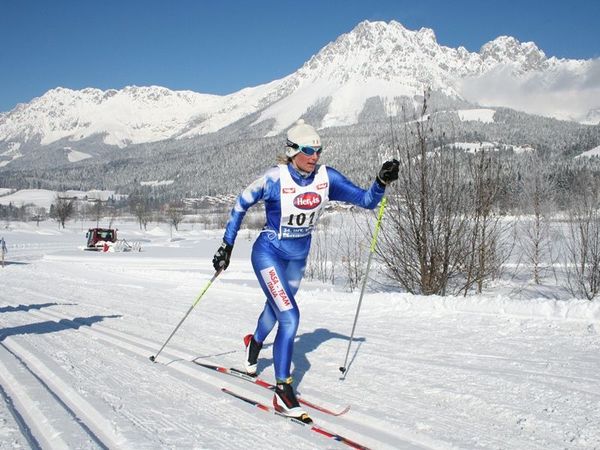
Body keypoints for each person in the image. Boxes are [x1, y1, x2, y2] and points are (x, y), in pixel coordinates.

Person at [212, 119, 399, 422]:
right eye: (309, 151)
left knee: (276, 311)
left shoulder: (327, 178)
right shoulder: (274, 179)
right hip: (268, 253)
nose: (315, 157)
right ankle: (283, 391)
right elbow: (240, 204)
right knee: (290, 315)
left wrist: (380, 181)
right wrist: (227, 246)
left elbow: (366, 201)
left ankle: (254, 344)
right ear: (292, 151)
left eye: (318, 151)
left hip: (297, 259)